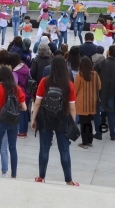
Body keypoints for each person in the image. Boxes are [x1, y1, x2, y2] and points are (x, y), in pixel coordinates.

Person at [30, 56, 79, 185]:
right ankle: (68, 180)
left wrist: (33, 119)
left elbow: (37, 103)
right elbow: (72, 107)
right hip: (62, 119)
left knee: (44, 148)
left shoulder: (44, 81)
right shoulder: (69, 84)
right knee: (64, 150)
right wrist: (72, 123)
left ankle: (41, 176)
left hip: (45, 118)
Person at [0, 66, 27, 178]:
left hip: (0, 120)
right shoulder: (17, 89)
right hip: (13, 121)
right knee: (13, 148)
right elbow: (24, 108)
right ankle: (14, 174)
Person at [94, 45, 115, 141]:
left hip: (99, 90)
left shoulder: (100, 62)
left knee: (97, 112)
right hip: (111, 92)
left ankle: (99, 133)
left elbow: (93, 73)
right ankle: (113, 134)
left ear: (108, 52)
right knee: (111, 113)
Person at [74, 56, 101, 148]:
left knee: (83, 123)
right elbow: (99, 87)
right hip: (92, 102)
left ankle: (84, 142)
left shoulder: (79, 75)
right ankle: (90, 141)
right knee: (89, 122)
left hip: (82, 103)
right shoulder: (95, 74)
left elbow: (75, 90)